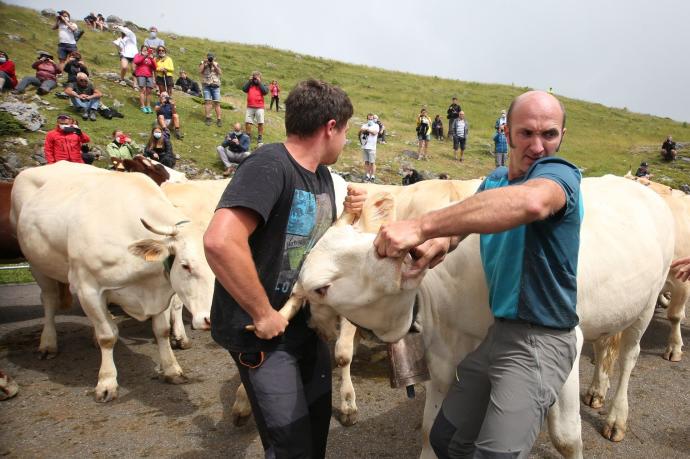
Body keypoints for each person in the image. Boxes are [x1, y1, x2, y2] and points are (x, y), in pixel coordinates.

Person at [373, 90, 581, 459]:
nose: (537, 145)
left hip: (542, 340)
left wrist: (422, 226)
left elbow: (531, 203)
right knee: (446, 441)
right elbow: (471, 221)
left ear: (562, 136)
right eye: (525, 133)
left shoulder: (560, 175)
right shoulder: (497, 180)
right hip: (498, 334)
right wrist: (440, 242)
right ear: (506, 131)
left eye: (549, 134)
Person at [203, 79, 366, 459]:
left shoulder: (322, 176)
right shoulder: (269, 165)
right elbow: (220, 241)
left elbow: (314, 247)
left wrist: (347, 215)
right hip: (263, 335)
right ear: (330, 127)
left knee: (312, 439)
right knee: (290, 446)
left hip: (305, 328)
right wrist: (262, 313)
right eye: (346, 131)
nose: (346, 141)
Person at [242, 71, 269, 146]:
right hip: (250, 106)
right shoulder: (250, 84)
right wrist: (249, 81)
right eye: (254, 76)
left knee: (260, 122)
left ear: (260, 77)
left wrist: (259, 82)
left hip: (259, 107)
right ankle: (248, 136)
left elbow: (265, 92)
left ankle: (260, 137)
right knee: (248, 122)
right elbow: (244, 89)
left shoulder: (263, 84)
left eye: (257, 76)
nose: (255, 78)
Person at [200, 53, 223, 126]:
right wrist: (204, 63)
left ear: (214, 58)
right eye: (209, 57)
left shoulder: (216, 63)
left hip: (215, 85)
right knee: (207, 102)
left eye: (211, 58)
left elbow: (220, 72)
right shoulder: (203, 63)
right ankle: (208, 118)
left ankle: (219, 119)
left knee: (217, 103)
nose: (210, 59)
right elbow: (200, 71)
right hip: (206, 85)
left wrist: (213, 64)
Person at [133, 45, 157, 113]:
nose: (146, 51)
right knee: (142, 90)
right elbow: (136, 62)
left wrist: (152, 59)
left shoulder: (150, 57)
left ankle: (148, 106)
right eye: (144, 50)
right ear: (141, 50)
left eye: (147, 50)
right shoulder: (138, 55)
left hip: (149, 75)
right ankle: (142, 106)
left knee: (149, 91)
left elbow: (155, 67)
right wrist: (145, 56)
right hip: (141, 74)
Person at [360, 113, 380, 182]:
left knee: (372, 162)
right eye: (369, 119)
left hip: (372, 147)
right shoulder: (364, 125)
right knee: (366, 162)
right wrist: (367, 129)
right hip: (365, 146)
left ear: (373, 119)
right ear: (367, 119)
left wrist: (368, 130)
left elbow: (374, 132)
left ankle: (373, 175)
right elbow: (361, 130)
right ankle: (367, 174)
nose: (370, 120)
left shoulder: (376, 126)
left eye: (371, 119)